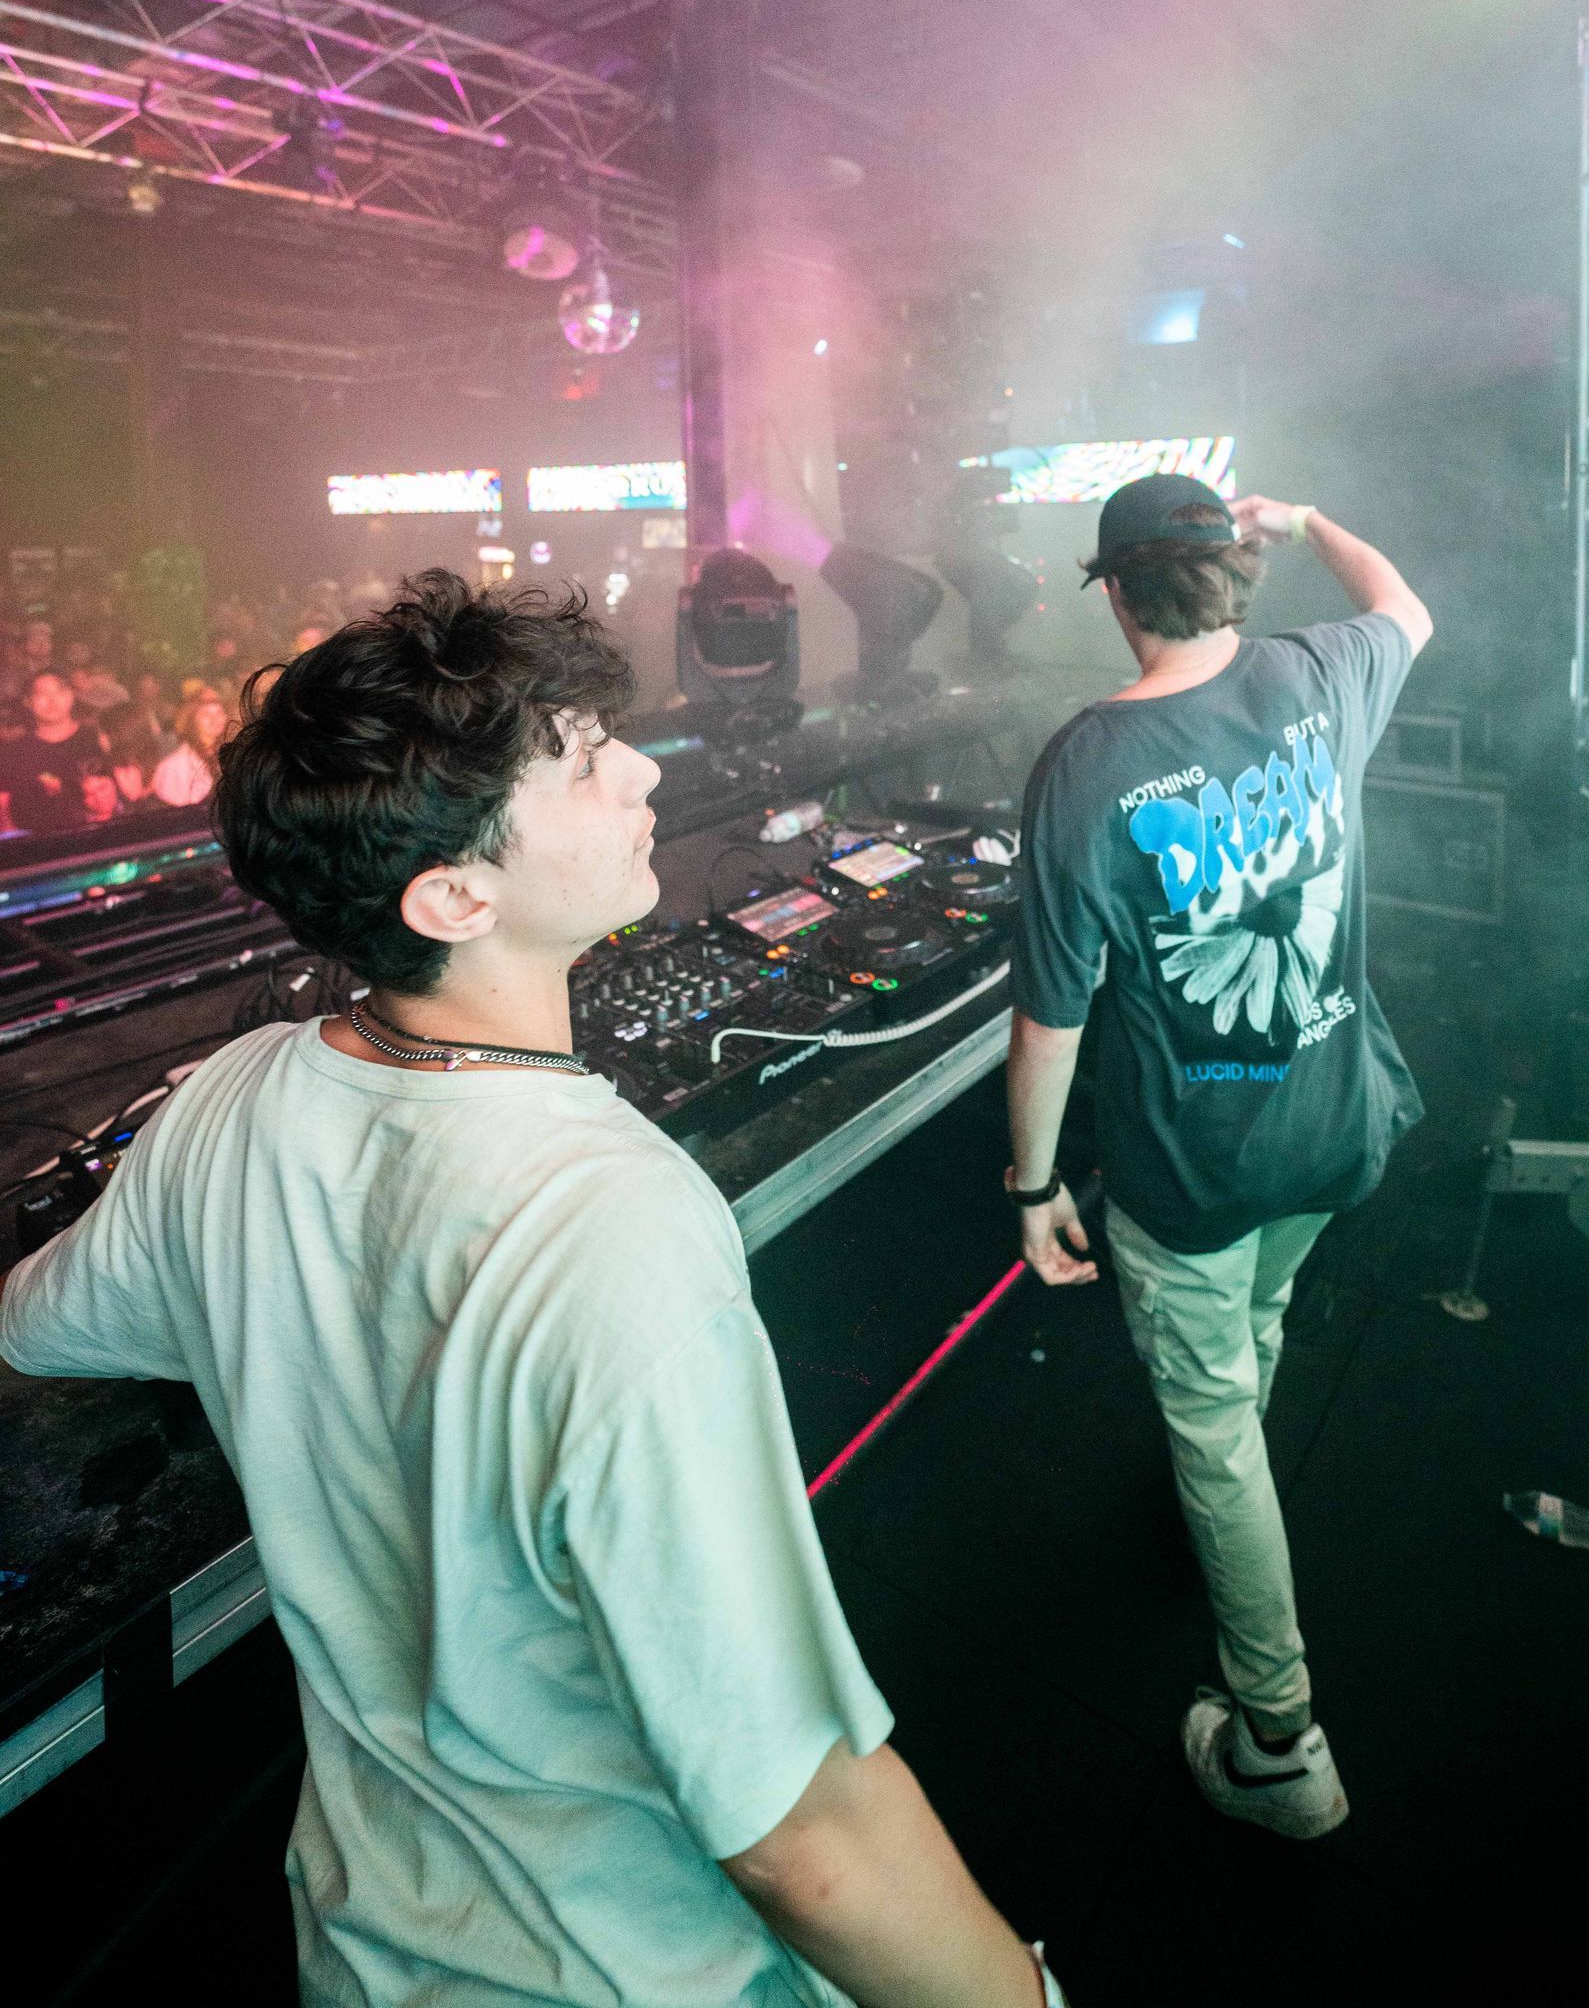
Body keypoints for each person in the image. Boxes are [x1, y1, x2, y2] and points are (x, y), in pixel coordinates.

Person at [0, 574, 1061, 2008]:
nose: (642, 765)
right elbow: (805, 1832)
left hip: (370, 1955)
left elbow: (44, 1320)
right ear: (452, 895)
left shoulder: (226, 1102)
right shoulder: (616, 1222)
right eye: (578, 757)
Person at [1004, 473, 1431, 1842]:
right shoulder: (1318, 670)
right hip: (1337, 1122)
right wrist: (1309, 520)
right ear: (1231, 579)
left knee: (1211, 1431)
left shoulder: (1088, 761)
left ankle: (1276, 1738)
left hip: (1196, 1168)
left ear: (1117, 592)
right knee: (1256, 1327)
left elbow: (1051, 1019)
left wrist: (1031, 1186)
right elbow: (1405, 602)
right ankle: (1236, 1434)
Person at [1, 669, 116, 834]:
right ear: (28, 701)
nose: (52, 701)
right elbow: (3, 801)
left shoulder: (96, 739)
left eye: (60, 691)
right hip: (34, 843)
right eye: (42, 694)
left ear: (72, 695)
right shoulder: (13, 751)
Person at [149, 685, 229, 805]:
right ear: (192, 720)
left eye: (219, 713)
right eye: (206, 714)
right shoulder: (175, 764)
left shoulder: (229, 753)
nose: (215, 719)